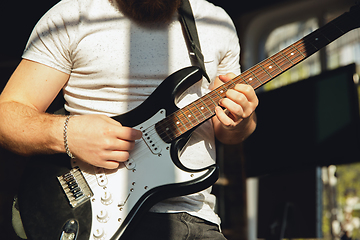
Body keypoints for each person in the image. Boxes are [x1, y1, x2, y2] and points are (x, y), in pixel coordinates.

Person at [0, 0, 258, 239]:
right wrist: (69, 133)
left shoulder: (215, 21)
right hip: (98, 213)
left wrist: (241, 118)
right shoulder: (72, 14)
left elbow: (228, 132)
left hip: (198, 218)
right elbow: (7, 114)